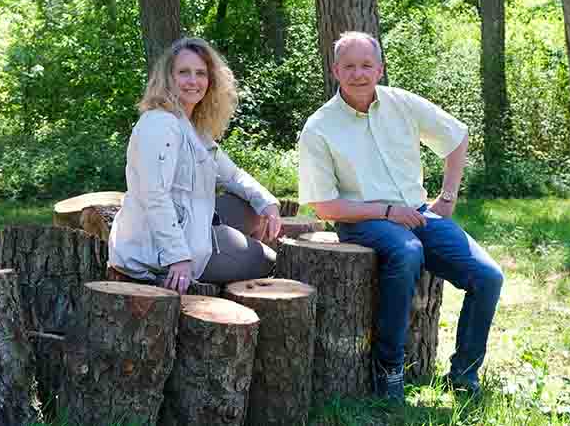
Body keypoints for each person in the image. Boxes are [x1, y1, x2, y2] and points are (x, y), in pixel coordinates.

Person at [297, 31, 503, 400]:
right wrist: (387, 211)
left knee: (488, 276)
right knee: (407, 252)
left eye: (366, 65)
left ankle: (464, 374)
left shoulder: (402, 104)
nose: (358, 74)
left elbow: (457, 137)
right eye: (349, 66)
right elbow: (324, 207)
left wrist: (448, 197)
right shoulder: (319, 127)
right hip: (361, 220)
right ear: (335, 71)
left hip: (419, 212)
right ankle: (389, 366)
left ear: (380, 68)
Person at [109, 37, 283, 294]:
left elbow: (232, 175)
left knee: (253, 208)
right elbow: (153, 196)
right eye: (184, 73)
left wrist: (268, 204)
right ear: (168, 78)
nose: (193, 81)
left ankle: (226, 244)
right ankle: (175, 272)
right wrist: (178, 257)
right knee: (267, 260)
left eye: (201, 73)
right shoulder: (159, 123)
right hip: (155, 251)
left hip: (193, 224)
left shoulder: (192, 127)